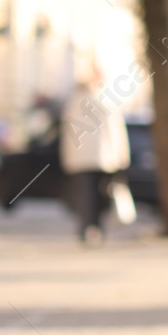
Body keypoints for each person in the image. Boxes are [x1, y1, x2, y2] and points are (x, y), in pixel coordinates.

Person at [60, 67, 130, 246]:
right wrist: (121, 156)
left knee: (87, 195)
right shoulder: (107, 99)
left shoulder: (76, 99)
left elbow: (68, 131)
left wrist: (67, 157)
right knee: (98, 195)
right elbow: (116, 131)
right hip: (103, 158)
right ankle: (95, 228)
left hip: (84, 158)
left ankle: (88, 228)